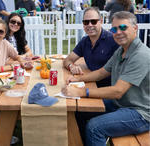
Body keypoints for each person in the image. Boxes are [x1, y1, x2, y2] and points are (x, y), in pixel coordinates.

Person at [62, 11, 150, 146]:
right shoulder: (121, 51)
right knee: (79, 111)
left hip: (140, 113)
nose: (118, 32)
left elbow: (118, 91)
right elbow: (102, 72)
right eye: (115, 29)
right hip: (120, 103)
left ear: (135, 28)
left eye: (123, 27)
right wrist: (78, 79)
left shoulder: (141, 55)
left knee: (94, 127)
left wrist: (81, 92)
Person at [63, 7, 119, 88]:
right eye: (86, 22)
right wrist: (71, 66)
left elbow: (102, 73)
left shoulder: (113, 40)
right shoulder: (85, 41)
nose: (90, 25)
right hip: (89, 83)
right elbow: (68, 60)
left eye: (93, 21)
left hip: (107, 90)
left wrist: (79, 79)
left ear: (101, 21)